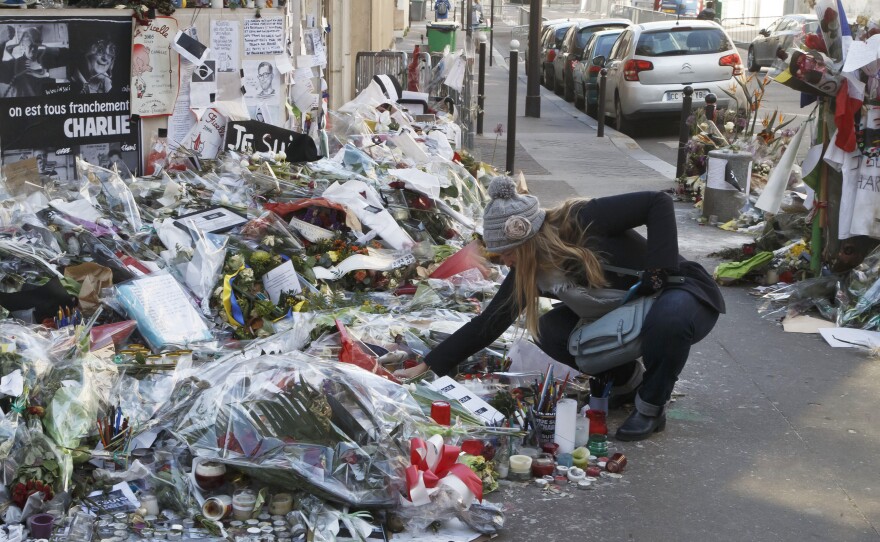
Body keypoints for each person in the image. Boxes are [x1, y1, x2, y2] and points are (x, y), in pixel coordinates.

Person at [394, 178, 725, 441]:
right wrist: (429, 365)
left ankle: (651, 406)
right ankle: (627, 382)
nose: (504, 261)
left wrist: (659, 271)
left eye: (505, 253)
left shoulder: (582, 220)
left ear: (523, 242)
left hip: (680, 292)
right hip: (628, 311)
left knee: (669, 319)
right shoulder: (528, 273)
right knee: (551, 330)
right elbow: (488, 324)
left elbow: (658, 202)